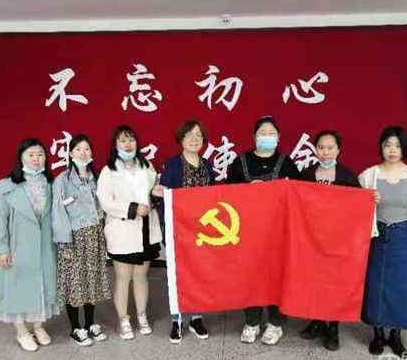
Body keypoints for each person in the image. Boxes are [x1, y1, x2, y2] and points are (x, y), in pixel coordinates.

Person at [225, 115, 302, 345]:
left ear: (278, 137)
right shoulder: (240, 161)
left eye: (271, 133)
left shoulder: (286, 163)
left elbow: (300, 194)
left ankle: (276, 323)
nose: (267, 137)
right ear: (254, 137)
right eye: (262, 133)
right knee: (251, 275)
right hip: (248, 231)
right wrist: (247, 189)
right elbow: (227, 194)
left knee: (277, 276)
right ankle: (252, 321)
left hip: (278, 231)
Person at [359, 126, 407, 358]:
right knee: (376, 284)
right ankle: (377, 334)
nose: (392, 150)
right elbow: (355, 208)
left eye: (397, 146)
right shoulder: (369, 176)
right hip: (377, 235)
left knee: (402, 286)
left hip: (403, 235)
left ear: (404, 148)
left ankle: (396, 336)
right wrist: (368, 200)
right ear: (381, 147)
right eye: (387, 145)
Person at [0, 138, 59, 352]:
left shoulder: (50, 185)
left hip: (44, 247)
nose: (36, 159)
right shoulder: (7, 186)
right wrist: (2, 249)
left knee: (44, 286)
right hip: (18, 247)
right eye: (31, 155)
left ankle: (38, 326)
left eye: (40, 154)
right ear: (21, 158)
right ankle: (21, 331)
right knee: (17, 288)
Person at [97, 125, 162, 340]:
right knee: (123, 277)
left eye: (131, 139)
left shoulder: (146, 166)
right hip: (122, 231)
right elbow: (106, 202)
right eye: (123, 141)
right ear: (115, 145)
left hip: (146, 230)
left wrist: (154, 197)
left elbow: (155, 189)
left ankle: (142, 316)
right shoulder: (109, 171)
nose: (128, 144)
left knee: (141, 276)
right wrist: (133, 209)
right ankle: (124, 318)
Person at [153, 119, 214, 344]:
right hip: (178, 231)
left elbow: (214, 197)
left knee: (199, 274)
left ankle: (197, 318)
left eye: (198, 135)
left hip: (203, 232)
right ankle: (177, 320)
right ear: (181, 139)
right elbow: (164, 196)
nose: (194, 139)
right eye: (189, 135)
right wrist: (158, 193)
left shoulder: (207, 165)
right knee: (177, 276)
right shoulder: (172, 165)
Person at [298, 130, 360, 351]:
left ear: (338, 149)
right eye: (321, 147)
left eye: (330, 147)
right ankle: (316, 322)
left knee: (334, 283)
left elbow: (358, 206)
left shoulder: (347, 176)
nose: (325, 152)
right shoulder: (306, 174)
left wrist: (372, 198)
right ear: (316, 149)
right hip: (311, 239)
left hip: (337, 241)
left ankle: (333, 327)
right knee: (313, 281)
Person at [52, 134, 111, 346]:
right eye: (78, 149)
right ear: (70, 153)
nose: (83, 153)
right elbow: (58, 213)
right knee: (74, 283)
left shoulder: (97, 178)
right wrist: (65, 242)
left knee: (91, 281)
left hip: (94, 236)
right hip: (73, 238)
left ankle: (90, 323)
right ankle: (76, 327)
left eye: (86, 149)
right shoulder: (62, 180)